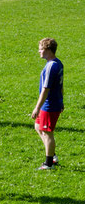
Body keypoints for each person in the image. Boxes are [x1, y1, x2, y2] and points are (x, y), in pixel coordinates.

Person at [31, 37, 63, 170]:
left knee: (47, 132)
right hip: (52, 103)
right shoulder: (58, 63)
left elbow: (45, 89)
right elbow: (61, 85)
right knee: (38, 127)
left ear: (48, 50)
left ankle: (49, 163)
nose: (39, 51)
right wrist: (62, 100)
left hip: (49, 105)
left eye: (41, 49)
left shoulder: (51, 66)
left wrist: (37, 108)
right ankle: (52, 154)